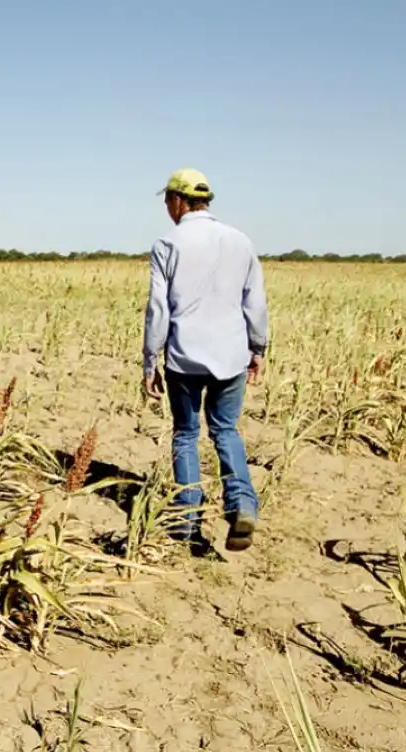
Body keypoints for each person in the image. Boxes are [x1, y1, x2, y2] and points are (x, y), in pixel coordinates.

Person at [141, 168, 268, 552]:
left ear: (178, 201)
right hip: (231, 355)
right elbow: (255, 302)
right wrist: (258, 348)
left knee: (185, 433)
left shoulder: (167, 244)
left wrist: (150, 360)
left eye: (167, 200)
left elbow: (158, 310)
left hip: (184, 358)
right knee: (225, 430)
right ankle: (242, 504)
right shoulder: (240, 241)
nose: (167, 208)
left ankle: (187, 519)